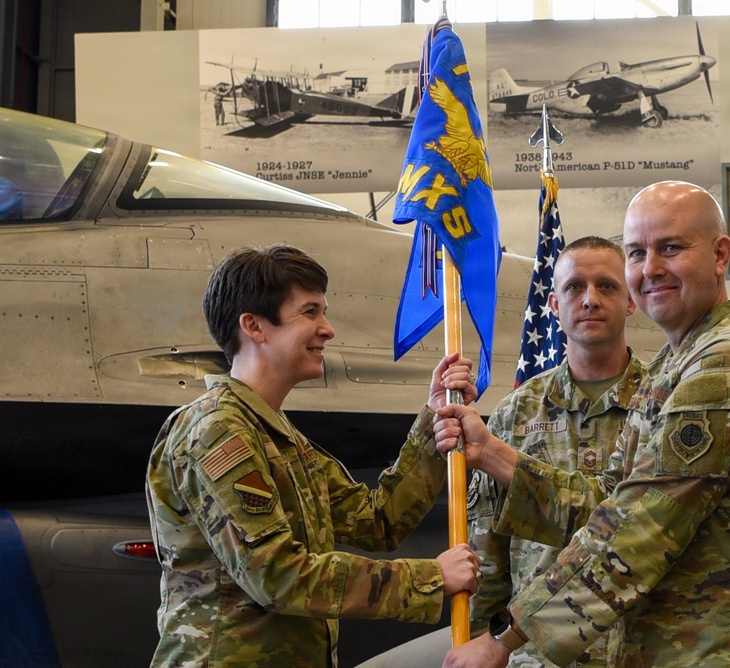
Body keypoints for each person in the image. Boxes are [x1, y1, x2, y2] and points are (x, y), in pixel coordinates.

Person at [435, 182, 730, 667]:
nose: (651, 269)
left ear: (720, 255)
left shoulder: (729, 360)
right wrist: (492, 454)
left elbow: (643, 525)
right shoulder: (671, 368)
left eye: (671, 248)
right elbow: (607, 504)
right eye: (638, 253)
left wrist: (504, 638)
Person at [146, 244, 481, 668]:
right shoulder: (217, 431)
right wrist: (431, 578)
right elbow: (276, 575)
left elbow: (378, 521)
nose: (327, 329)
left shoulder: (278, 438)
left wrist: (435, 422)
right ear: (254, 326)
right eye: (309, 312)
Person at [467, 236, 645, 667]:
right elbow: (488, 546)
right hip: (536, 655)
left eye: (607, 286)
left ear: (630, 302)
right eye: (574, 287)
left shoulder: (661, 402)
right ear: (553, 304)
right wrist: (481, 639)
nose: (590, 300)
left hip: (639, 649)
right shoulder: (516, 413)